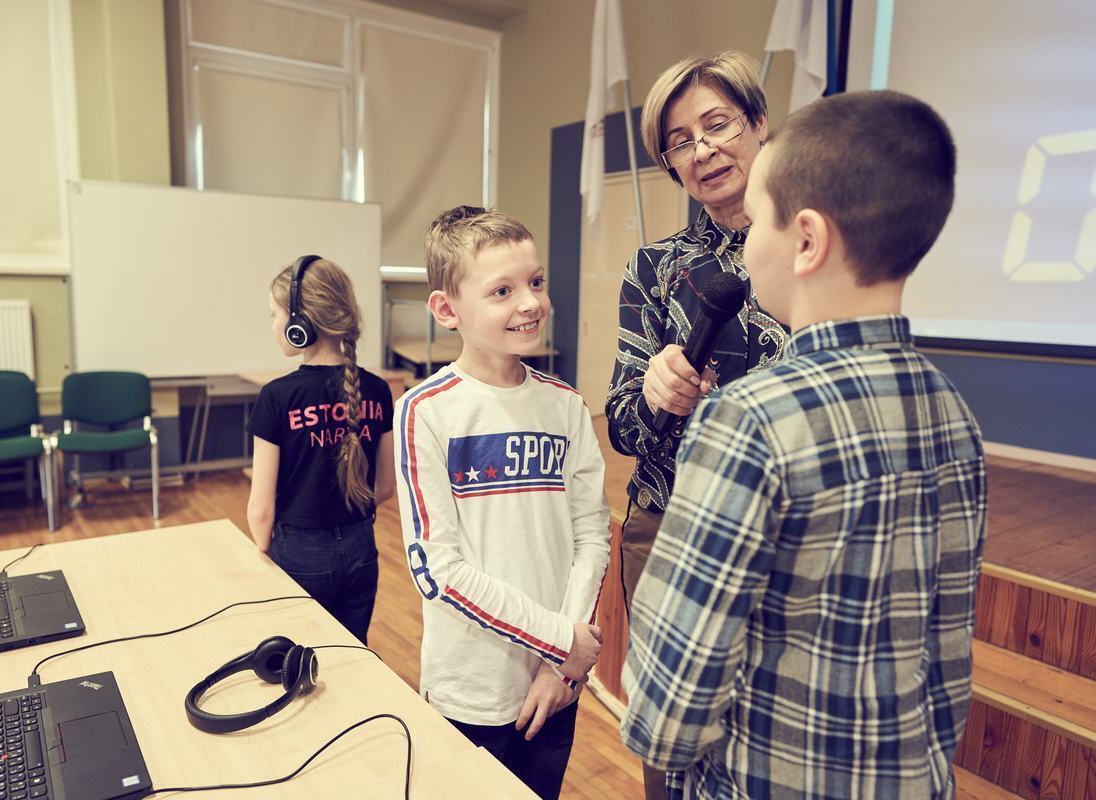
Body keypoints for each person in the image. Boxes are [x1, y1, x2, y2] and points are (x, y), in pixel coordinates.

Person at [620, 90, 988, 799]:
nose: (747, 244)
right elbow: (947, 662)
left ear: (807, 240)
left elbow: (671, 708)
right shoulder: (953, 413)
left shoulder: (746, 419)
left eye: (759, 220)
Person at [604, 50, 788, 799]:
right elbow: (622, 429)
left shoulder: (809, 249)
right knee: (672, 744)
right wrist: (655, 395)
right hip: (666, 528)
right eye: (680, 141)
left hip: (781, 534)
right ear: (671, 166)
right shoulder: (654, 269)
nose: (703, 149)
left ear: (759, 124)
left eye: (718, 125)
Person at [393, 206, 611, 799]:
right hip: (471, 690)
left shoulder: (566, 405)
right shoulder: (425, 411)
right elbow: (438, 570)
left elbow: (591, 535)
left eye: (536, 281)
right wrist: (561, 639)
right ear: (448, 310)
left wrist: (562, 664)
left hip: (556, 684)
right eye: (502, 291)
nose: (531, 302)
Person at [246, 256, 396, 645]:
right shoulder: (378, 390)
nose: (273, 326)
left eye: (275, 315)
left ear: (301, 324)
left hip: (299, 554)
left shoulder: (277, 397)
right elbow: (385, 487)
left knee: (301, 661)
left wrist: (266, 556)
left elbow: (260, 509)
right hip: (362, 548)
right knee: (353, 652)